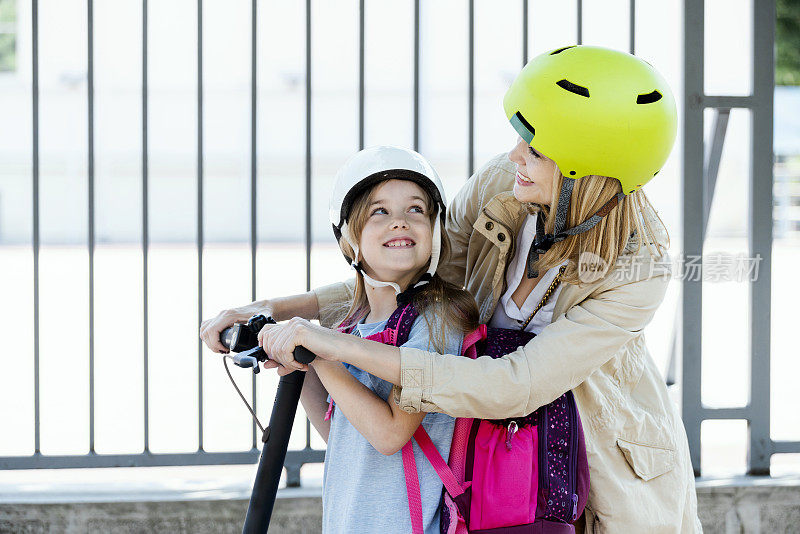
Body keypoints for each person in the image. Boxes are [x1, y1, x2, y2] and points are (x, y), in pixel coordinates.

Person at [201, 45, 701, 532]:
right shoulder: (505, 184)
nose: (514, 155)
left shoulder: (639, 266)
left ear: (582, 169)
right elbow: (425, 269)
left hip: (585, 460)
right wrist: (277, 309)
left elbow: (514, 384)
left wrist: (333, 343)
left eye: (536, 149)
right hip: (485, 459)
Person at [263, 145, 478, 534]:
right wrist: (303, 362)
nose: (400, 222)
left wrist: (323, 351)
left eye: (416, 210)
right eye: (380, 212)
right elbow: (346, 435)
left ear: (435, 232)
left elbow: (389, 433)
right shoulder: (354, 324)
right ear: (351, 240)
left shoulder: (437, 318)